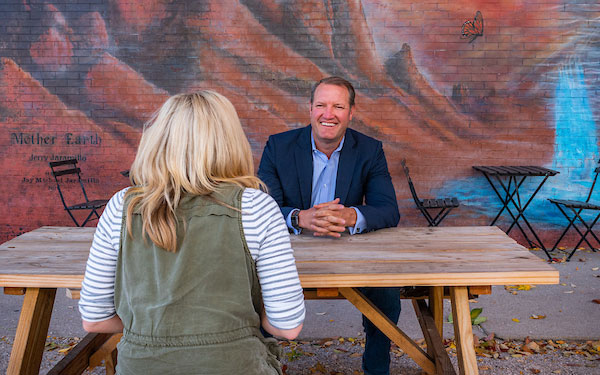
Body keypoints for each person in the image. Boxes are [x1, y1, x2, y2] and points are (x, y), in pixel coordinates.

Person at [79, 91, 305, 374]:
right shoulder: (256, 206)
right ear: (230, 141)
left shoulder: (121, 206)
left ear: (158, 140)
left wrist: (154, 333)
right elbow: (288, 325)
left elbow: (95, 320)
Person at [258, 76, 401, 375]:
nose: (328, 113)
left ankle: (376, 369)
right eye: (321, 105)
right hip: (286, 252)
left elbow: (388, 209)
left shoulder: (369, 149)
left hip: (349, 254)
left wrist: (352, 216)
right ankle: (263, 366)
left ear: (351, 112)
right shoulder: (278, 146)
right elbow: (264, 207)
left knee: (387, 293)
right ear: (310, 109)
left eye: (338, 106)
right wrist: (299, 217)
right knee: (256, 295)